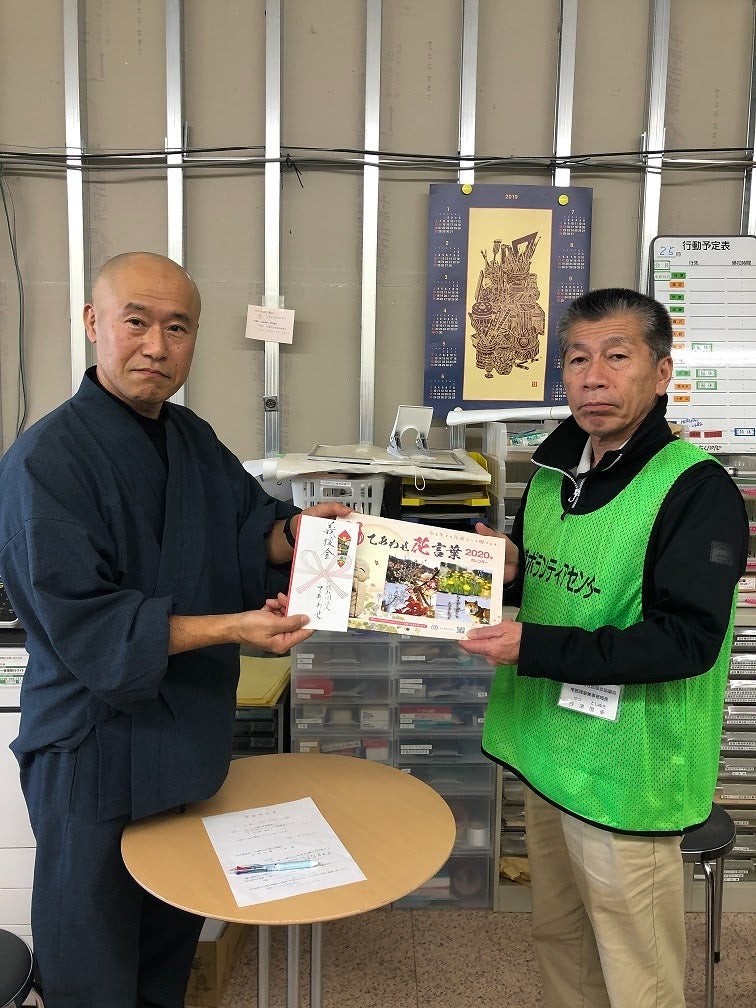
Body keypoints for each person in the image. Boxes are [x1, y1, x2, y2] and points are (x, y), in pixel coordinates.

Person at [0, 251, 350, 1008]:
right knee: (90, 954)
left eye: (178, 328)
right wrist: (232, 627)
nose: (156, 346)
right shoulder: (44, 462)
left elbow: (248, 530)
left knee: (169, 940)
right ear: (93, 323)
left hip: (184, 736)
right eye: (136, 322)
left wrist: (298, 534)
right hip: (93, 747)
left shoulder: (192, 438)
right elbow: (88, 623)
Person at [459, 287, 749, 1008]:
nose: (593, 378)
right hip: (549, 751)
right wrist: (512, 571)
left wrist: (533, 646)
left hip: (627, 777)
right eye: (577, 359)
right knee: (561, 939)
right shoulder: (552, 472)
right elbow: (561, 579)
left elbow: (686, 641)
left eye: (617, 357)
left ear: (661, 372)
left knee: (637, 973)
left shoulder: (697, 490)